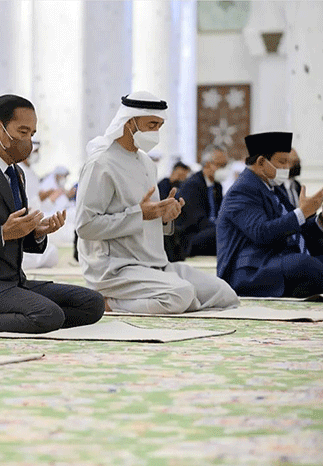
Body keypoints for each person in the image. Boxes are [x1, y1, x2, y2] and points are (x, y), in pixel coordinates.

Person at [0, 94, 104, 333]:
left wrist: (36, 233)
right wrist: (2, 233)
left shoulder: (16, 174)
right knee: (48, 314)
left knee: (93, 304)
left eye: (32, 134)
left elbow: (16, 237)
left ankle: (20, 311)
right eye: (23, 132)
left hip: (13, 282)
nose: (29, 141)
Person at [75, 91, 239, 314]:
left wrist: (164, 218)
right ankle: (108, 302)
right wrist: (140, 214)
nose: (156, 132)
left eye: (159, 126)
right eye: (152, 124)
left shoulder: (145, 163)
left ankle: (173, 298)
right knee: (180, 294)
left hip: (154, 264)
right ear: (129, 121)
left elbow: (148, 218)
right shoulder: (101, 164)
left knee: (224, 294)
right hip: (115, 268)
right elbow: (85, 226)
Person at [217, 131, 323, 297]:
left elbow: (295, 230)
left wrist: (322, 218)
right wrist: (302, 213)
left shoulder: (273, 189)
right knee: (303, 264)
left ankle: (305, 287)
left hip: (277, 260)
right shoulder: (241, 191)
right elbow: (261, 232)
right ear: (261, 162)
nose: (287, 168)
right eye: (282, 162)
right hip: (248, 272)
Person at [174, 145, 229, 257]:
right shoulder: (192, 185)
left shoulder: (217, 187)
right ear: (207, 164)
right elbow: (198, 221)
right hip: (191, 237)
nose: (223, 170)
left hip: (210, 233)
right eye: (220, 165)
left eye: (225, 165)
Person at [20, 140, 59, 269]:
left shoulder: (30, 173)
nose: (37, 155)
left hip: (35, 217)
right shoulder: (18, 171)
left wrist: (44, 199)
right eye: (35, 152)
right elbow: (24, 206)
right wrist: (40, 198)